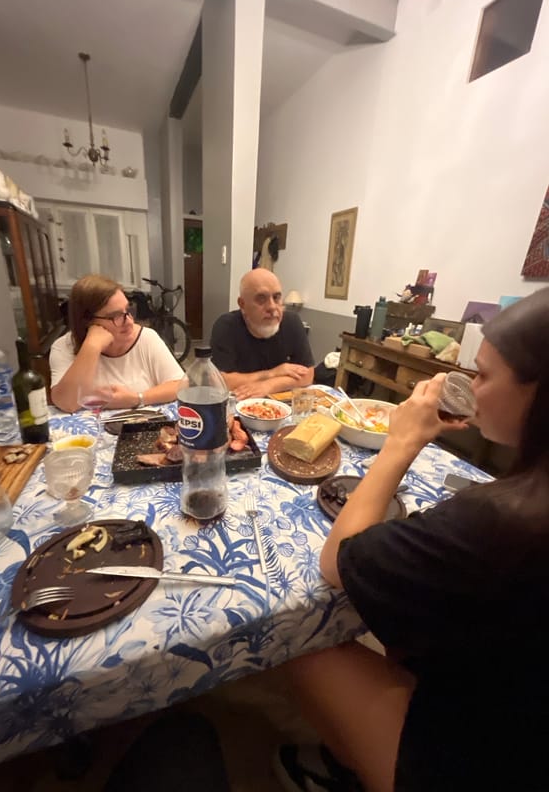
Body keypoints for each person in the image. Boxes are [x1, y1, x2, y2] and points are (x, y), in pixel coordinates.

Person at [273, 287, 549, 792]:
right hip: (519, 698)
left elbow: (339, 563)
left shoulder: (502, 518)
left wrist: (401, 441)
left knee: (298, 638)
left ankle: (353, 769)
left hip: (491, 760)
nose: (469, 387)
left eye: (483, 375)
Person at [50, 275, 184, 413]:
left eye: (128, 310)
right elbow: (67, 404)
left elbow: (181, 385)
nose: (129, 322)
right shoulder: (64, 347)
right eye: (115, 316)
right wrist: (92, 347)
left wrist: (137, 398)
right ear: (86, 321)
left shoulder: (147, 338)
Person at [210, 268, 314, 400]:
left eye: (276, 297)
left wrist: (268, 385)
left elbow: (308, 374)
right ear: (242, 304)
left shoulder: (292, 322)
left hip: (281, 403)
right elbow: (222, 382)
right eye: (261, 299)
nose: (272, 307)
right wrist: (273, 373)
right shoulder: (226, 326)